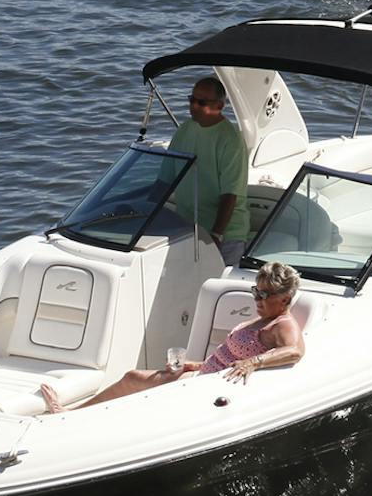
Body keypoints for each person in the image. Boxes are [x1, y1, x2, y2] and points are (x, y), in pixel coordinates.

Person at [38, 262, 305, 413]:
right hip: (200, 374)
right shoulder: (266, 318)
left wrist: (254, 363)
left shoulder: (282, 324)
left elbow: (294, 351)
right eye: (255, 291)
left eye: (264, 295)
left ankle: (71, 416)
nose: (256, 299)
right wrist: (195, 364)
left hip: (207, 389)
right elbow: (231, 356)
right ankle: (75, 415)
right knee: (132, 379)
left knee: (133, 383)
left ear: (285, 299)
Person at [167, 75, 250, 266]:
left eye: (201, 102)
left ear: (219, 106)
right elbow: (165, 179)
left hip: (224, 236)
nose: (194, 106)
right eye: (192, 100)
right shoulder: (184, 130)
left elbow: (230, 194)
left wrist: (216, 235)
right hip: (187, 230)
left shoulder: (231, 141)